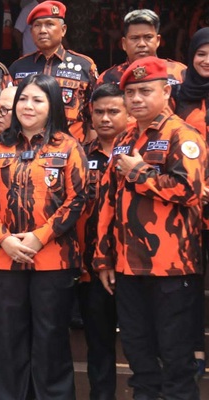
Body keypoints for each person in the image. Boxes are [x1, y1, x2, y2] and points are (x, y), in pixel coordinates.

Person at [94, 56, 206, 400]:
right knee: (139, 358)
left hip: (173, 268)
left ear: (166, 91)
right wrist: (103, 257)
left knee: (176, 361)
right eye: (131, 93)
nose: (136, 99)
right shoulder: (125, 138)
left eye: (145, 91)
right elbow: (108, 201)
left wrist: (140, 172)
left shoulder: (183, 135)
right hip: (128, 267)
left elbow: (189, 189)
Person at [0, 73, 88, 400]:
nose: (28, 105)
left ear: (52, 105)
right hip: (4, 259)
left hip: (53, 260)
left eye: (37, 99)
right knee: (9, 339)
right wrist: (5, 239)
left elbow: (77, 198)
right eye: (23, 99)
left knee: (51, 339)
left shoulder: (68, 146)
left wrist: (39, 237)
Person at [77, 83, 127, 400]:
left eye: (113, 111)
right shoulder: (80, 155)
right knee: (98, 345)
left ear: (128, 113)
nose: (105, 118)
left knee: (142, 343)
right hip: (92, 268)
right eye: (99, 112)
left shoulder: (140, 153)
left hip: (135, 265)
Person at [8, 1, 98, 143]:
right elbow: (7, 112)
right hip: (26, 149)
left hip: (71, 148)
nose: (42, 30)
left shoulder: (84, 66)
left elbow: (95, 116)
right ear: (31, 32)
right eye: (37, 25)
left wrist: (87, 150)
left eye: (49, 24)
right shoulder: (18, 67)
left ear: (63, 30)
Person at [174, 26, 209, 382]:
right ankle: (195, 349)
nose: (207, 60)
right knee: (192, 281)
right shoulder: (180, 97)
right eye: (201, 53)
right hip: (190, 206)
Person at [97, 9, 187, 89]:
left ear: (158, 41)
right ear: (124, 44)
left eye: (148, 37)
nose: (141, 44)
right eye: (134, 38)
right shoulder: (108, 79)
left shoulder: (180, 73)